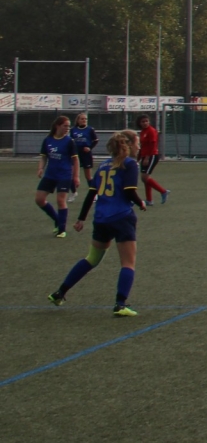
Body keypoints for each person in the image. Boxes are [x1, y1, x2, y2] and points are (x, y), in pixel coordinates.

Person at [50, 129, 146, 316]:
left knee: (91, 259)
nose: (139, 147)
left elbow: (91, 194)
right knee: (128, 263)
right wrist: (140, 202)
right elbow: (129, 191)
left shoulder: (103, 165)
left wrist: (81, 218)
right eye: (137, 143)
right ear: (128, 145)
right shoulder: (129, 164)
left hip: (101, 219)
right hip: (122, 217)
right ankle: (120, 304)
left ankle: (60, 292)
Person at [34, 115, 80, 237]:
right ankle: (57, 220)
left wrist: (76, 176)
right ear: (57, 126)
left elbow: (75, 160)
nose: (67, 128)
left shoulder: (69, 141)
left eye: (69, 126)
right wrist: (40, 168)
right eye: (65, 126)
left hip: (64, 175)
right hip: (50, 174)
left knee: (60, 200)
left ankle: (62, 230)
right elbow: (44, 156)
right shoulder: (48, 140)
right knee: (39, 199)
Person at [135, 113, 170, 205]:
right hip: (144, 156)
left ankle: (163, 191)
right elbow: (142, 146)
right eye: (143, 122)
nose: (145, 123)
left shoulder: (151, 131)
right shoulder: (142, 132)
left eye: (146, 121)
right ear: (139, 123)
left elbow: (152, 145)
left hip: (152, 156)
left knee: (145, 177)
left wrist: (147, 157)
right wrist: (138, 158)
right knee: (144, 179)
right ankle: (149, 200)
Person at [72, 112, 98, 177]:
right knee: (73, 174)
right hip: (76, 153)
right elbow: (71, 141)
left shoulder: (90, 129)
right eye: (82, 119)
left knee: (88, 175)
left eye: (85, 119)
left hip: (86, 153)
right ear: (78, 120)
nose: (84, 120)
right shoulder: (73, 129)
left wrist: (89, 148)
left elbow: (95, 140)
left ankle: (90, 183)